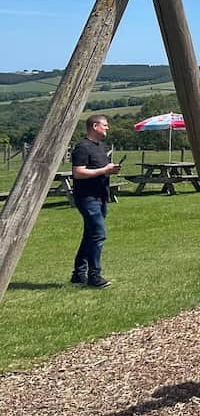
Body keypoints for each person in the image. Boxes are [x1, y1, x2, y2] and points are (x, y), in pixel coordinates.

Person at [70, 114, 121, 288]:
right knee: (98, 234)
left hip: (100, 197)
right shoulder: (82, 147)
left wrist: (110, 170)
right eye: (105, 125)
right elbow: (78, 172)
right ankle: (94, 276)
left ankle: (78, 274)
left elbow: (100, 169)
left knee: (90, 235)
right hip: (87, 198)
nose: (107, 128)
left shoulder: (100, 146)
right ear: (94, 126)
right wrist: (104, 170)